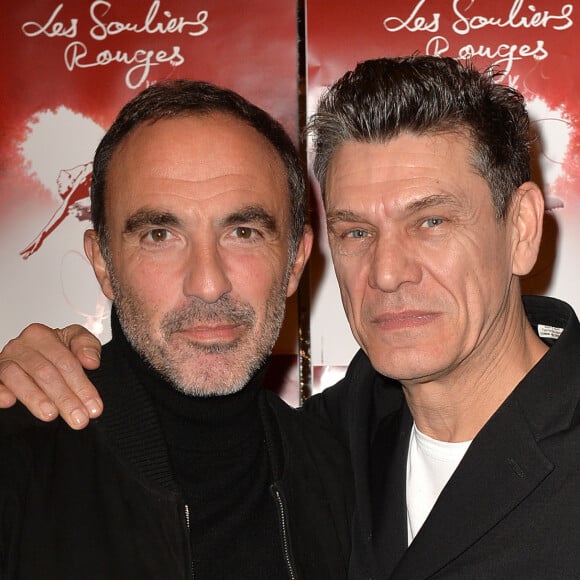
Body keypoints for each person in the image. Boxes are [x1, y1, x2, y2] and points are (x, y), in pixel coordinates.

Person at [2, 55, 579, 579]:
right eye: (356, 231)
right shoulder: (338, 440)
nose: (387, 272)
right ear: (102, 264)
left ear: (522, 229)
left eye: (431, 221)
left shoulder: (320, 460)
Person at [0, 79, 353, 579]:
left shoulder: (340, 478)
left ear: (295, 260)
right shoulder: (17, 468)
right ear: (103, 263)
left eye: (243, 232)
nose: (207, 284)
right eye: (160, 235)